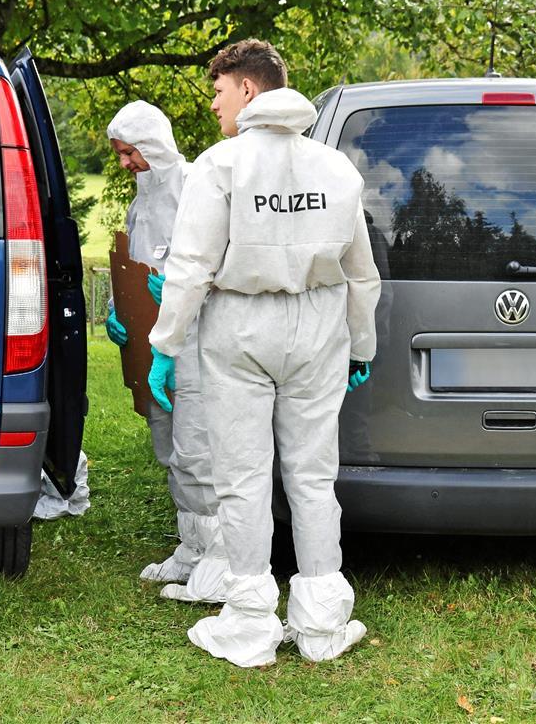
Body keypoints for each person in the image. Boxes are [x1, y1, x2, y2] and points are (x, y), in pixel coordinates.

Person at [147, 40, 381, 667]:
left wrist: (165, 346)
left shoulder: (219, 166)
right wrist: (362, 343)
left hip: (240, 328)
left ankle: (250, 621)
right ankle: (323, 624)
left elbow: (192, 266)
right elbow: (362, 273)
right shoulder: (336, 169)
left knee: (243, 478)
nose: (216, 105)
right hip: (319, 327)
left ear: (248, 90)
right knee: (312, 475)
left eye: (219, 91)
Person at [105, 102, 228, 602]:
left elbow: (223, 261)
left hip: (198, 343)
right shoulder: (141, 201)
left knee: (200, 449)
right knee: (170, 448)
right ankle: (191, 549)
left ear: (152, 145)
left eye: (129, 152)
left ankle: (221, 563)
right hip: (154, 343)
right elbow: (134, 257)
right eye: (118, 154)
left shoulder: (197, 185)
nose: (124, 163)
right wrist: (121, 308)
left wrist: (185, 292)